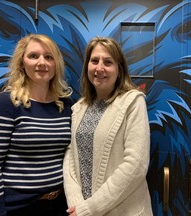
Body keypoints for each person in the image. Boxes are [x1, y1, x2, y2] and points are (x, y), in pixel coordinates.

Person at [0, 34, 74, 216]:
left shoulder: (66, 105)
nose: (42, 62)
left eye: (49, 57)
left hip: (60, 205)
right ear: (22, 63)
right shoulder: (6, 103)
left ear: (56, 64)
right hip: (18, 208)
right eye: (33, 56)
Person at [63, 37, 153, 216]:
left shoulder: (133, 102)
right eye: (94, 60)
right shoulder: (79, 107)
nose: (99, 68)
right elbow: (70, 155)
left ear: (119, 69)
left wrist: (91, 208)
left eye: (108, 62)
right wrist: (77, 203)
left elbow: (136, 165)